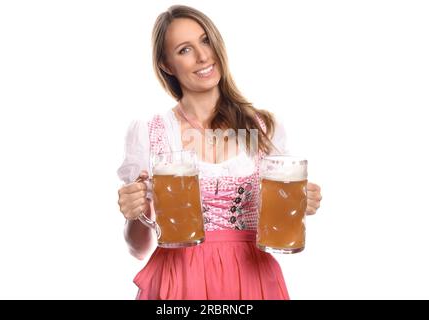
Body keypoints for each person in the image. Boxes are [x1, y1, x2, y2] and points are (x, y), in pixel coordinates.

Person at [117, 5, 322, 300]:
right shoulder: (149, 132)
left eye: (206, 40)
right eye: (185, 50)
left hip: (252, 280)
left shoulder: (263, 129)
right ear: (166, 64)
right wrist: (134, 214)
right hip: (178, 282)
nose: (203, 56)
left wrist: (302, 204)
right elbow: (137, 248)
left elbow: (280, 231)